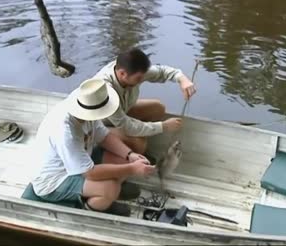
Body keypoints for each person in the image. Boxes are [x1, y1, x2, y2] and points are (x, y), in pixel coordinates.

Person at [21, 78, 155, 216]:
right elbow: (90, 173)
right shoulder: (64, 132)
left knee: (123, 160)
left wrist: (130, 155)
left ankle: (102, 195)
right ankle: (90, 209)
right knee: (110, 188)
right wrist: (132, 168)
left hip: (80, 161)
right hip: (54, 181)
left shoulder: (87, 108)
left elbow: (104, 137)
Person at [93, 48, 197, 157]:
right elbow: (126, 127)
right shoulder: (106, 91)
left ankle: (134, 135)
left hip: (120, 113)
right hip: (99, 126)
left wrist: (182, 79)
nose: (142, 79)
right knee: (139, 145)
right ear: (122, 73)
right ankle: (107, 150)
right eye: (139, 78)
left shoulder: (133, 70)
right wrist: (164, 126)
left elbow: (162, 72)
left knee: (158, 108)